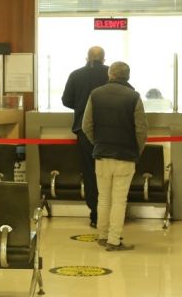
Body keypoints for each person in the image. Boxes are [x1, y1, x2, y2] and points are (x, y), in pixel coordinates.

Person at [82, 61, 148, 251]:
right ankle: (114, 240)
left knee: (103, 198)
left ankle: (103, 235)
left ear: (110, 74)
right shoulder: (134, 97)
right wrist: (137, 150)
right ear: (128, 76)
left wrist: (98, 143)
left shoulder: (95, 94)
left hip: (102, 154)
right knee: (119, 200)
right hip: (125, 155)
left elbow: (86, 125)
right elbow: (141, 129)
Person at [61, 46, 109, 228]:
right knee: (109, 171)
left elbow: (66, 100)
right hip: (108, 129)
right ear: (103, 59)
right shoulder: (111, 74)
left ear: (86, 58)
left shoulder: (76, 74)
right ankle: (111, 213)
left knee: (90, 172)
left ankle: (95, 214)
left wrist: (81, 106)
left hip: (83, 129)